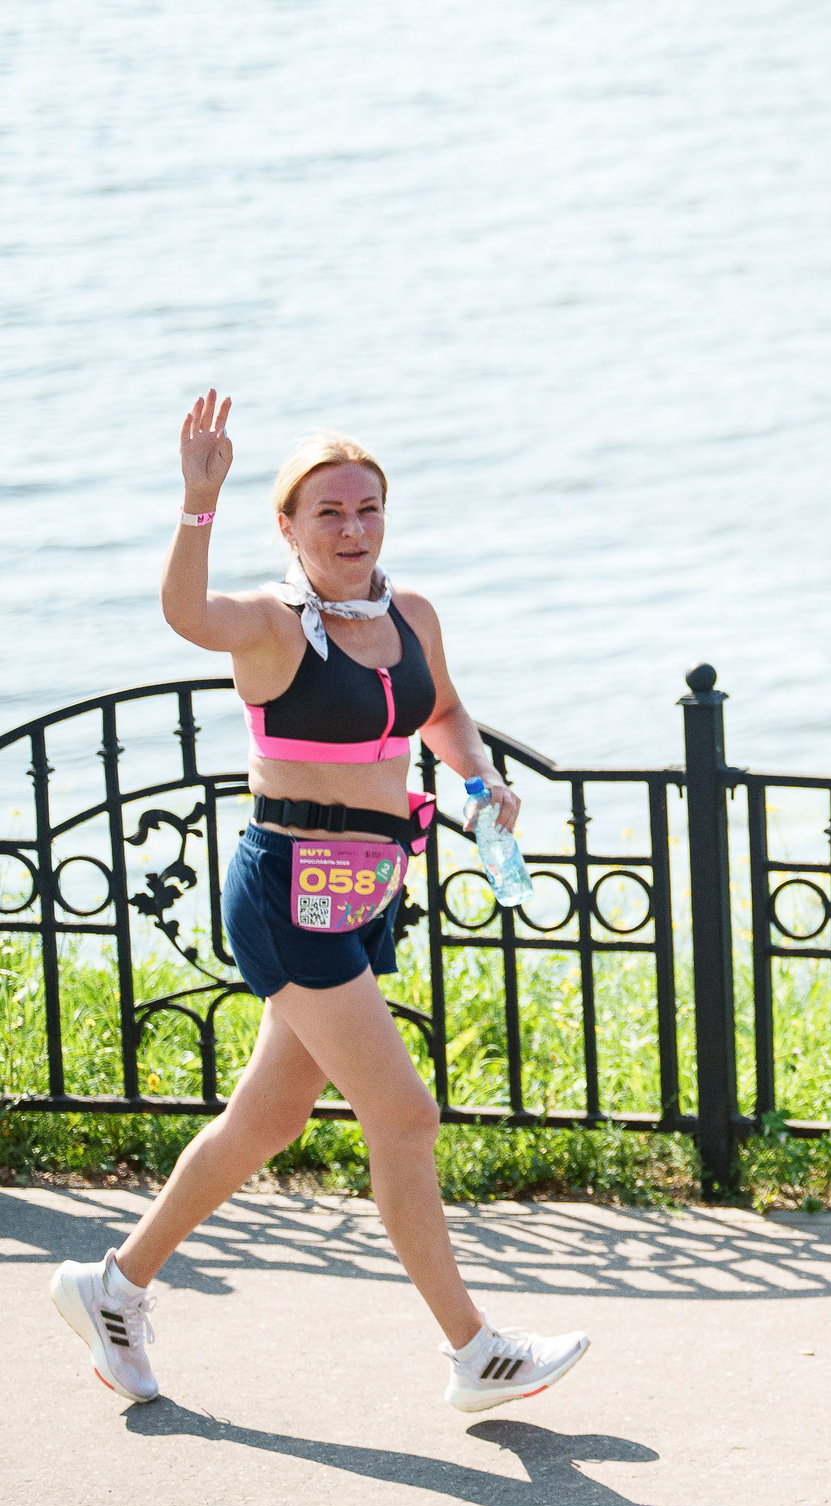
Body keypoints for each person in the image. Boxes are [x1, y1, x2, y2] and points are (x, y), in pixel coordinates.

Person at [49, 392, 590, 1414]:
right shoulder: (272, 625)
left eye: (368, 509)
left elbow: (445, 712)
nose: (351, 529)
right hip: (287, 897)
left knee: (272, 1114)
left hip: (365, 889)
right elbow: (185, 616)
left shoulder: (411, 614)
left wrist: (478, 783)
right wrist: (196, 501)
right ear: (289, 527)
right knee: (404, 1114)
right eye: (328, 513)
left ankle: (110, 1288)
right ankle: (474, 1349)